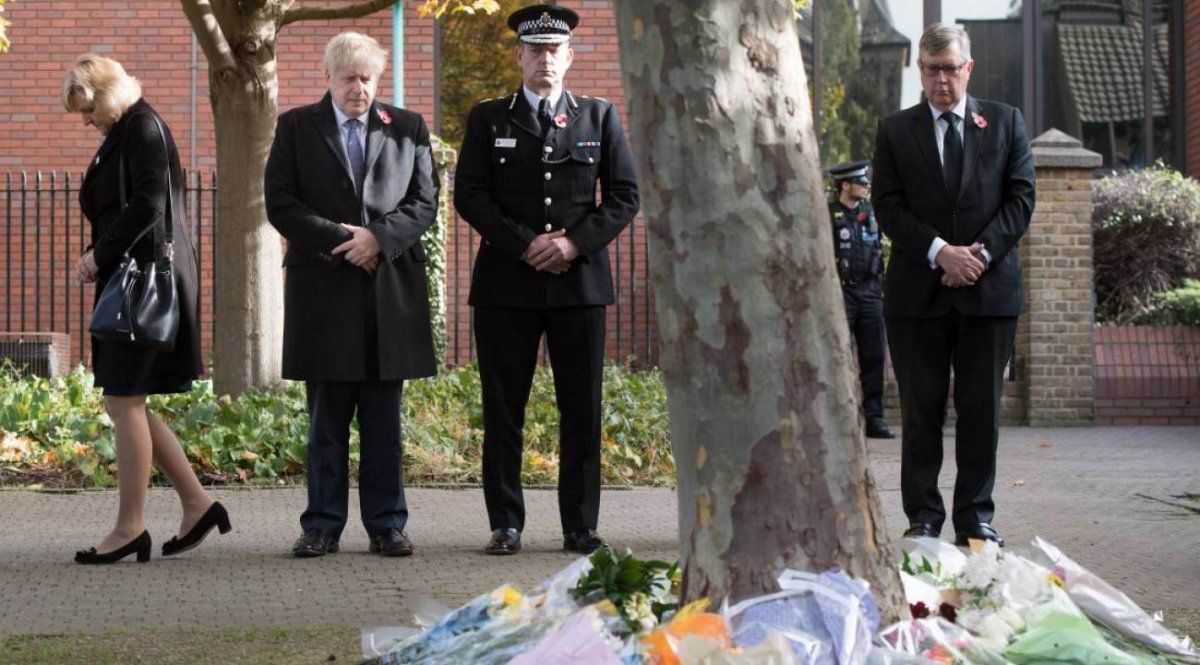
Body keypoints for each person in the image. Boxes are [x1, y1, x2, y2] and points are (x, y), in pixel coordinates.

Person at [454, 4, 640, 556]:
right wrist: (525, 242)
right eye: (535, 50)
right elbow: (470, 194)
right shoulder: (489, 118)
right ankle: (506, 523)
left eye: (554, 50)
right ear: (519, 56)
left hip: (577, 286)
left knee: (582, 408)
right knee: (503, 408)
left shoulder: (598, 117)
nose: (545, 60)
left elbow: (625, 196)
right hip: (506, 287)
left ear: (570, 57)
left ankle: (579, 525)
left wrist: (572, 242)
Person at [265, 32, 438, 558]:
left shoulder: (407, 127)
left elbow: (423, 201)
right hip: (324, 291)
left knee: (384, 421)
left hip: (388, 293)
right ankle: (321, 525)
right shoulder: (296, 127)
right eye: (349, 79)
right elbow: (281, 203)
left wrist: (377, 240)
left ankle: (387, 525)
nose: (359, 89)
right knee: (327, 420)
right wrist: (347, 239)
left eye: (367, 79)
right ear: (329, 78)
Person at [871, 23, 1035, 547]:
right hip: (919, 296)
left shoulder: (1006, 122)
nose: (942, 79)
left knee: (981, 409)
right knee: (920, 409)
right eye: (932, 69)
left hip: (989, 296)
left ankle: (975, 518)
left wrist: (980, 254)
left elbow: (1021, 199)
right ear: (919, 72)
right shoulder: (895, 131)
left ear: (969, 68)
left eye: (951, 68)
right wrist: (941, 251)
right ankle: (922, 517)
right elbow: (888, 206)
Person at [63, 54, 227, 564]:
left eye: (89, 109)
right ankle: (198, 504)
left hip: (143, 280)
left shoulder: (143, 128)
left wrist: (98, 255)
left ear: (107, 91)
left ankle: (131, 526)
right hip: (133, 279)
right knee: (127, 400)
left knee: (125, 399)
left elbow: (150, 204)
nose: (87, 122)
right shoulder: (127, 131)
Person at [826, 160, 894, 440]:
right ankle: (837, 417)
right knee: (837, 355)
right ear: (845, 185)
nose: (866, 186)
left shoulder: (871, 213)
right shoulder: (828, 215)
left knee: (873, 357)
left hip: (869, 293)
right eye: (860, 182)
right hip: (841, 293)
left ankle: (874, 418)